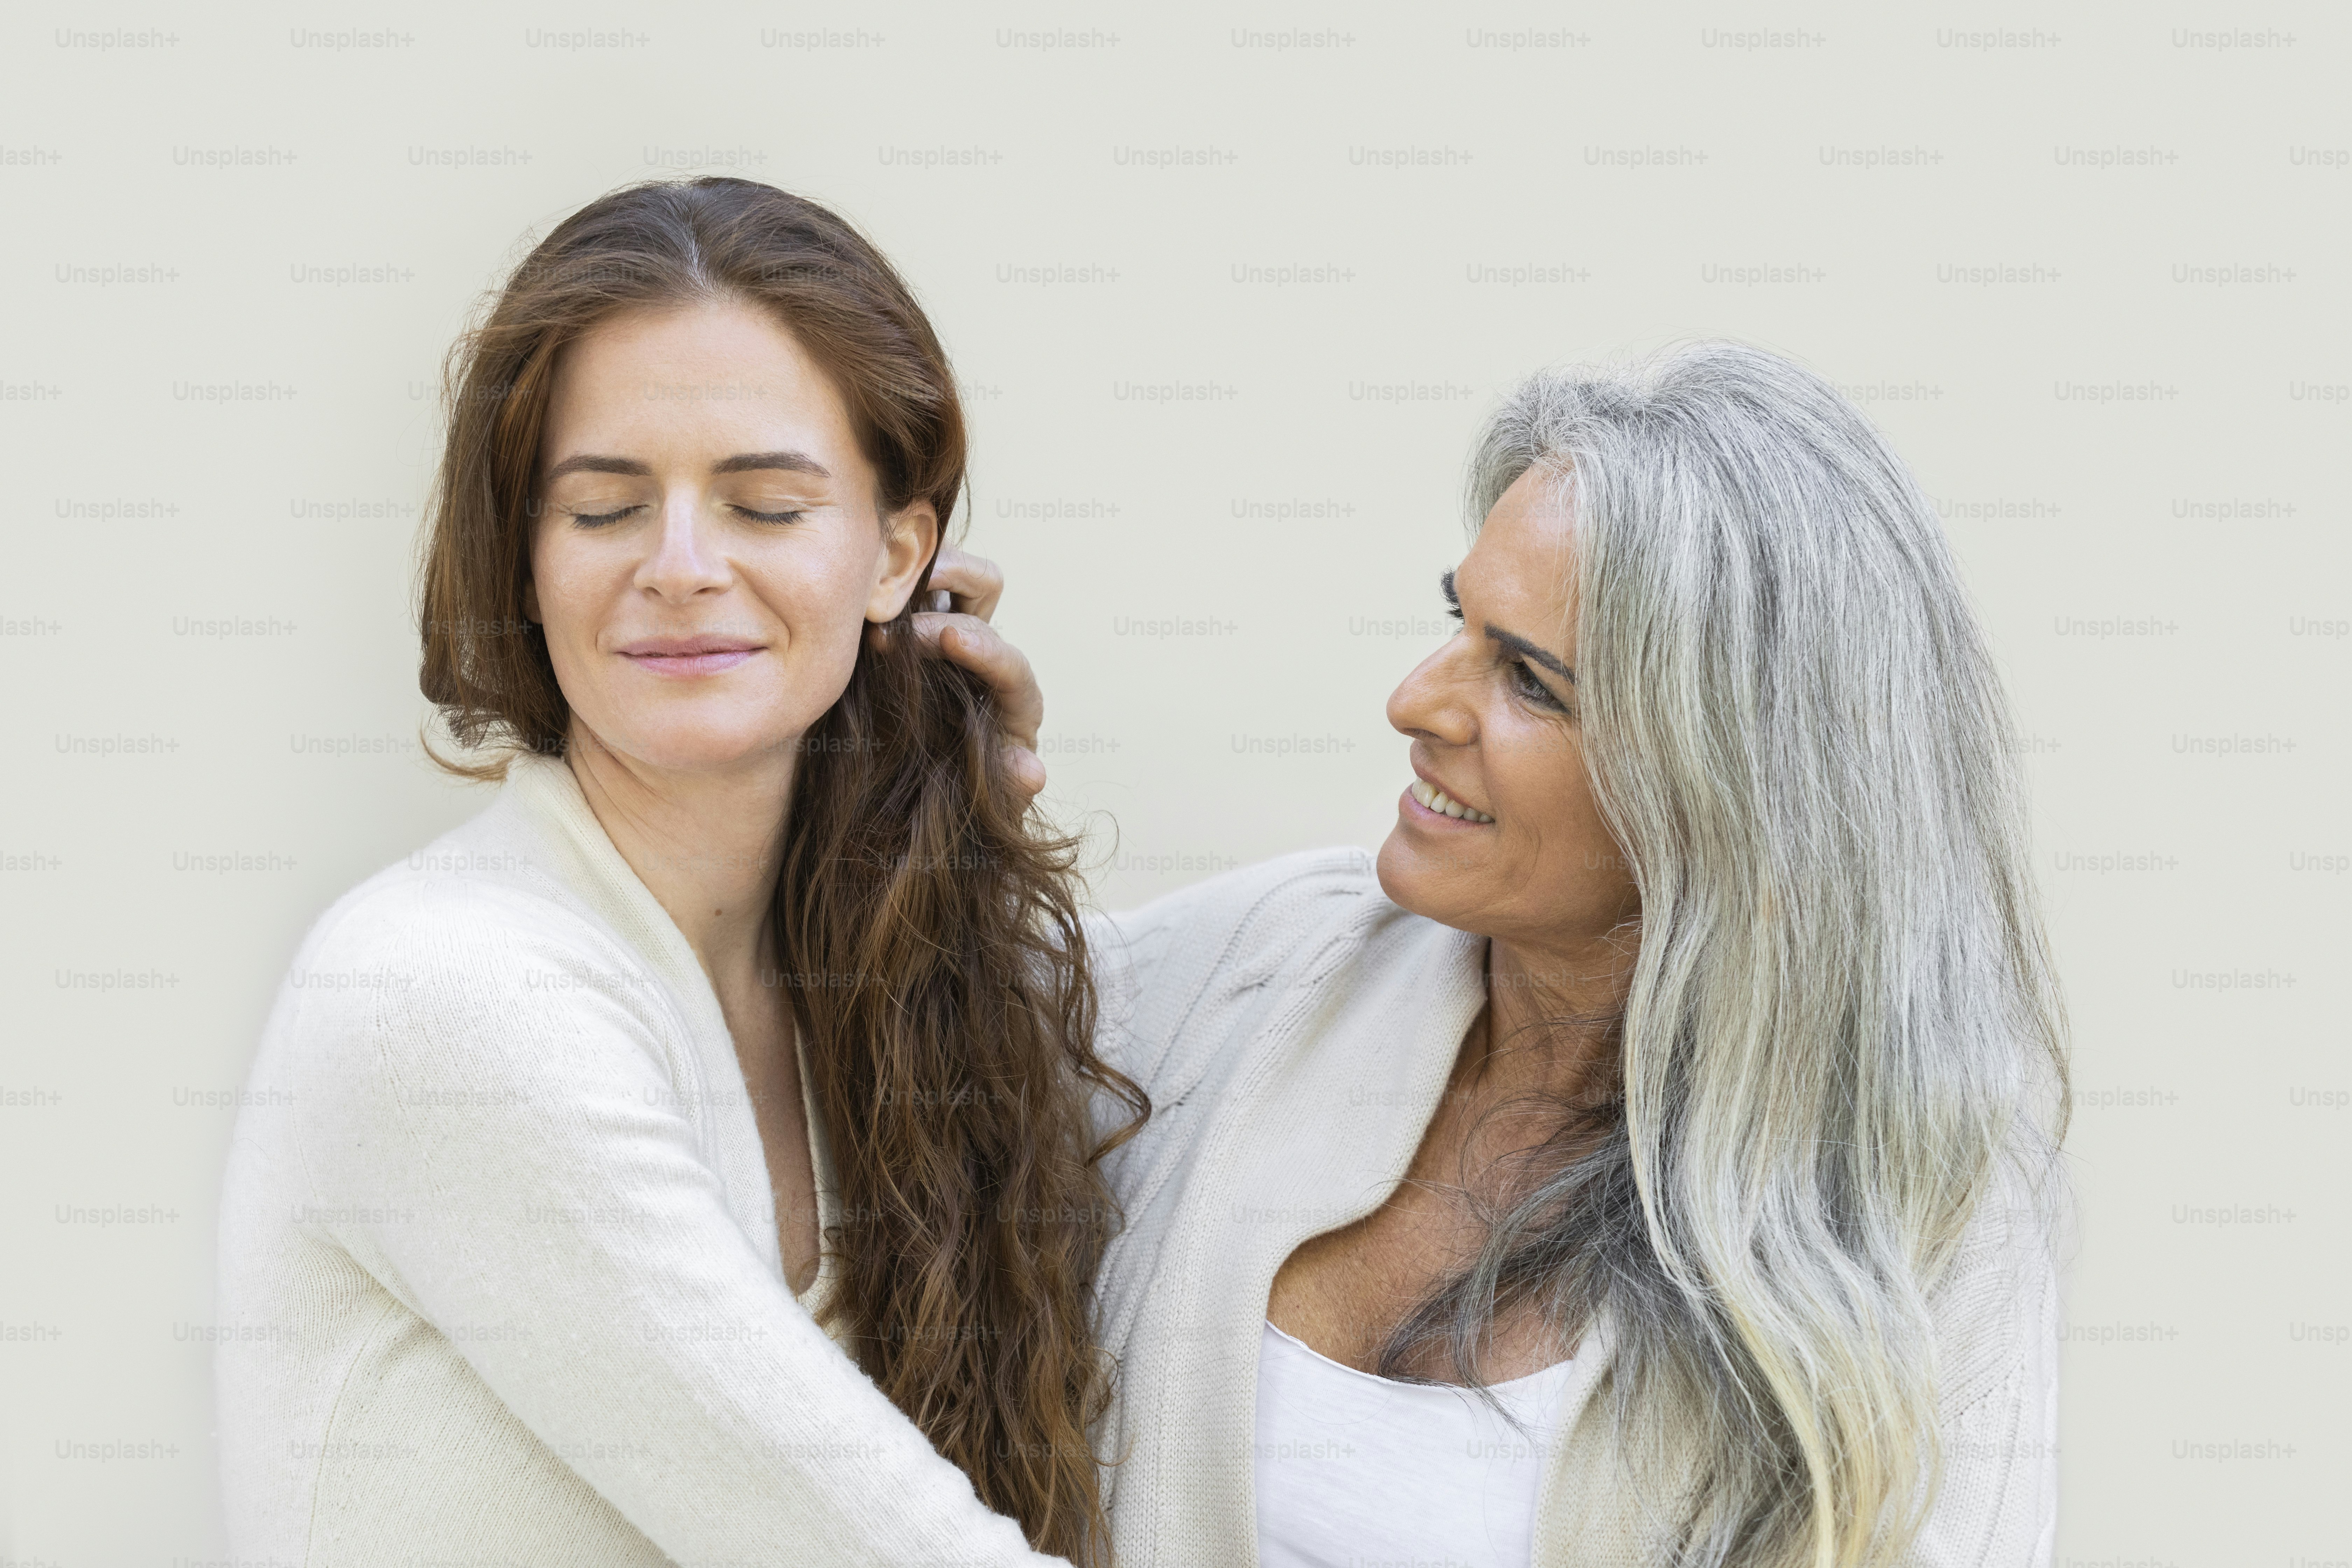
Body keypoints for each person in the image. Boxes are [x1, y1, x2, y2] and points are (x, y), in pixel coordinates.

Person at [215, 177, 1141, 1567]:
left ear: (898, 552)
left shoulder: (862, 974)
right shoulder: (446, 994)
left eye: (766, 505)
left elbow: (1273, 959)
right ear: (524, 560)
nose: (682, 567)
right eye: (603, 511)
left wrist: (966, 830)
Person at [1081, 341, 2069, 1567]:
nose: (1417, 701)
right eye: (1459, 621)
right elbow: (867, 1065)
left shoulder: (1934, 1211)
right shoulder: (1263, 960)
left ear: (1734, 795)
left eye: (1531, 683)